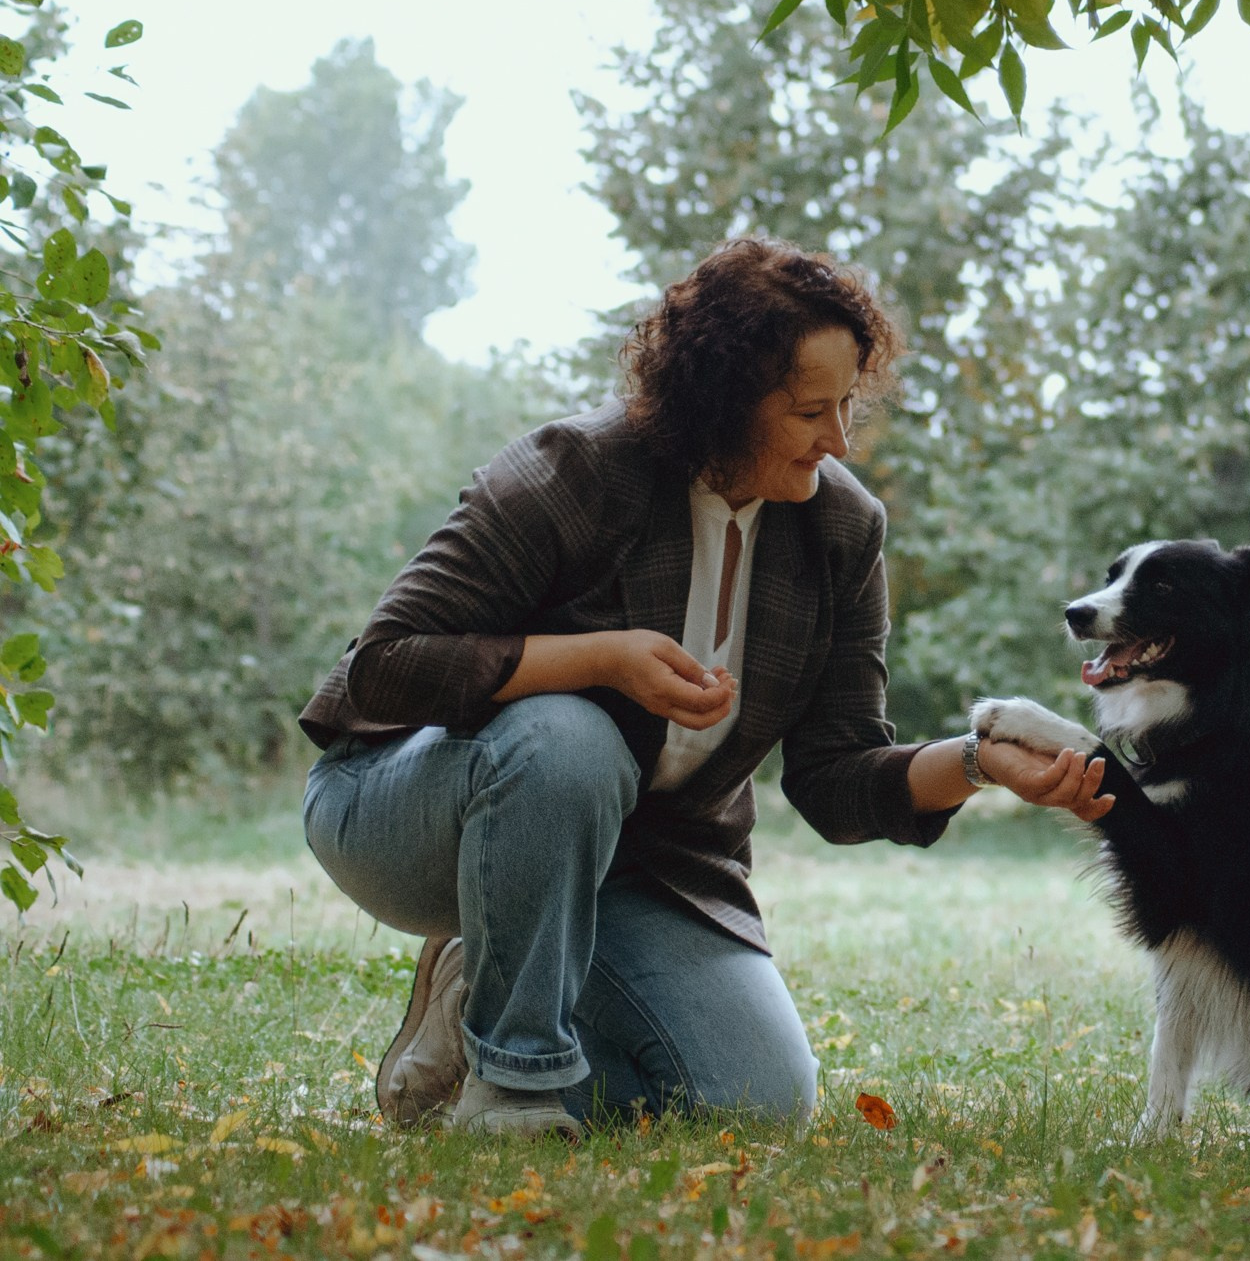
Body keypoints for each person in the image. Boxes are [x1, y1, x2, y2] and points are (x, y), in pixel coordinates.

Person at [299, 237, 1112, 1137]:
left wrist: (979, 760)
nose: (840, 440)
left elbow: (837, 778)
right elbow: (386, 663)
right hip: (400, 805)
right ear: (721, 406)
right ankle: (513, 1084)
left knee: (758, 1104)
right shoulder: (573, 471)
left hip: (643, 863)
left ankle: (474, 998)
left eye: (848, 404)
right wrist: (600, 659)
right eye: (812, 410)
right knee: (569, 736)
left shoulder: (841, 530)